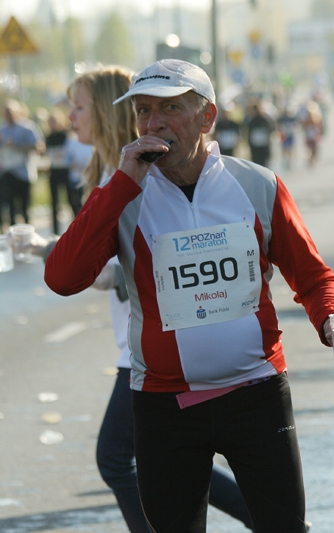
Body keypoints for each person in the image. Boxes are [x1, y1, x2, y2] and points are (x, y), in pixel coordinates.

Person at [43, 59, 334, 532]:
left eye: (170, 109)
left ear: (207, 117)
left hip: (256, 394)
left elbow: (313, 277)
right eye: (143, 111)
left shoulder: (257, 184)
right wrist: (118, 188)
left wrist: (332, 319)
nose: (153, 124)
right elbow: (62, 277)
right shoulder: (123, 195)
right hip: (164, 405)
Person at [25, 66, 255, 532]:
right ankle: (268, 514)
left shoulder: (131, 173)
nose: (70, 116)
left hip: (152, 345)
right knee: (165, 456)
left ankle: (270, 515)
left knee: (117, 458)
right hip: (148, 343)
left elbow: (117, 271)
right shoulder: (117, 169)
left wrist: (45, 247)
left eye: (79, 106)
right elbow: (85, 264)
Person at [0, 99, 44, 229]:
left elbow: (39, 147)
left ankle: (28, 236)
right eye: (6, 112)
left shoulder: (27, 128)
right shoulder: (2, 129)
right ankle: (12, 238)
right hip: (7, 173)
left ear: (18, 112)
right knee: (9, 207)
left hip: (24, 173)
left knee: (25, 208)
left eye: (11, 112)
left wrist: (17, 146)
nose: (8, 115)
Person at [45, 109, 83, 234]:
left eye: (54, 121)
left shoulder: (66, 136)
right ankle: (55, 232)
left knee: (71, 201)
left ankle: (76, 229)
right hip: (54, 172)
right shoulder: (49, 137)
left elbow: (70, 152)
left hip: (65, 172)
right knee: (54, 203)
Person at [245, 102, 276, 168]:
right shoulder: (251, 120)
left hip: (263, 146)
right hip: (255, 146)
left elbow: (271, 128)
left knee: (263, 164)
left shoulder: (264, 120)